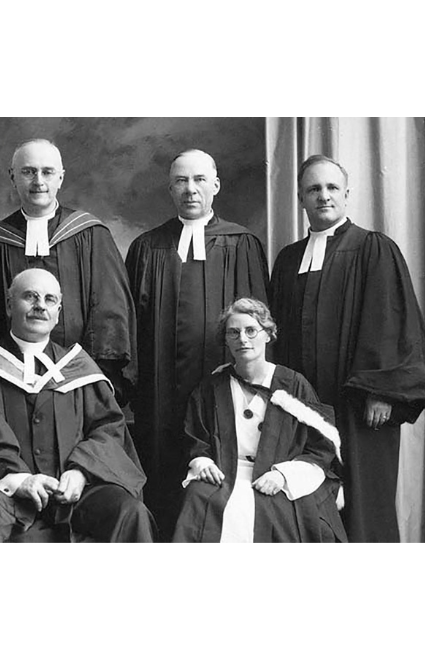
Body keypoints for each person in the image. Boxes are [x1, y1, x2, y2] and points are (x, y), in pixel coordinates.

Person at [268, 155, 425, 542]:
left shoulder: (373, 248)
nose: (323, 196)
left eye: (331, 188)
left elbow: (389, 323)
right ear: (301, 198)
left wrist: (380, 391)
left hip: (359, 407)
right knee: (307, 497)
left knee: (364, 505)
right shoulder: (287, 260)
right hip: (304, 407)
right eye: (313, 189)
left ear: (347, 194)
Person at [0, 268, 155, 543]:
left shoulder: (81, 370)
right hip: (2, 492)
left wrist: (81, 472)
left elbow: (109, 431)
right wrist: (19, 481)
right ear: (9, 305)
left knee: (131, 512)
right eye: (30, 297)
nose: (40, 306)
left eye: (50, 299)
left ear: (58, 312)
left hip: (76, 495)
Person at [126, 149, 270, 538]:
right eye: (181, 181)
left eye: (200, 180)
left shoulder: (242, 244)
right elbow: (130, 326)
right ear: (170, 188)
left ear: (216, 185)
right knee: (160, 470)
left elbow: (259, 325)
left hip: (226, 390)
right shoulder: (146, 247)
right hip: (159, 391)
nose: (191, 190)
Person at [0, 139, 136, 404]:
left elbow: (110, 313)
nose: (38, 181)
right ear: (13, 177)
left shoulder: (91, 235)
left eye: (47, 172)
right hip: (7, 379)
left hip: (78, 379)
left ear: (61, 177)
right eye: (28, 171)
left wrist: (94, 376)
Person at [173, 298, 347, 543]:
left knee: (287, 513)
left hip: (278, 474)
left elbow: (321, 447)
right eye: (234, 332)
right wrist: (202, 461)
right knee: (198, 499)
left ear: (268, 334)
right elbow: (195, 437)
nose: (242, 339)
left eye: (251, 330)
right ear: (226, 340)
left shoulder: (293, 385)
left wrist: (283, 476)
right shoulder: (213, 387)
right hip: (227, 472)